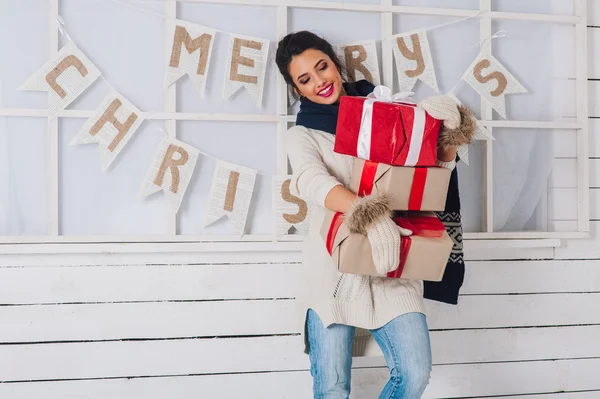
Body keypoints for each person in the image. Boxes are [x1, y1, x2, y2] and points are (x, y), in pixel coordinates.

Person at [275, 30, 474, 399]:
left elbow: (427, 179)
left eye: (323, 67)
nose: (319, 81)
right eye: (305, 79)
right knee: (332, 388)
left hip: (393, 261)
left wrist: (446, 138)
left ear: (336, 64)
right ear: (296, 88)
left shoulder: (384, 112)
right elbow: (313, 183)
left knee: (413, 374)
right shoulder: (302, 135)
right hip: (334, 268)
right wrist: (369, 214)